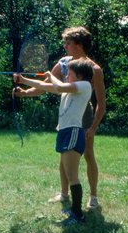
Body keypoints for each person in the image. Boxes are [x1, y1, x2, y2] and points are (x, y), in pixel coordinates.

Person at [14, 27, 106, 209]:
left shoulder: (94, 69)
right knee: (64, 155)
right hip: (66, 112)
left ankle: (93, 197)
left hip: (83, 115)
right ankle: (64, 194)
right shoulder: (64, 63)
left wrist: (93, 126)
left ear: (78, 45)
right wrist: (25, 92)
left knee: (88, 154)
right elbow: (46, 85)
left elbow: (101, 103)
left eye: (68, 43)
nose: (64, 46)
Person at [13, 59, 94, 225]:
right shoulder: (69, 89)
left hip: (73, 131)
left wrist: (51, 75)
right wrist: (24, 80)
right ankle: (74, 211)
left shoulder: (84, 85)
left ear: (78, 75)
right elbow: (47, 87)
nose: (66, 75)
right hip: (64, 131)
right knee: (66, 171)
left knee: (72, 176)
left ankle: (77, 215)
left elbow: (58, 86)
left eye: (69, 73)